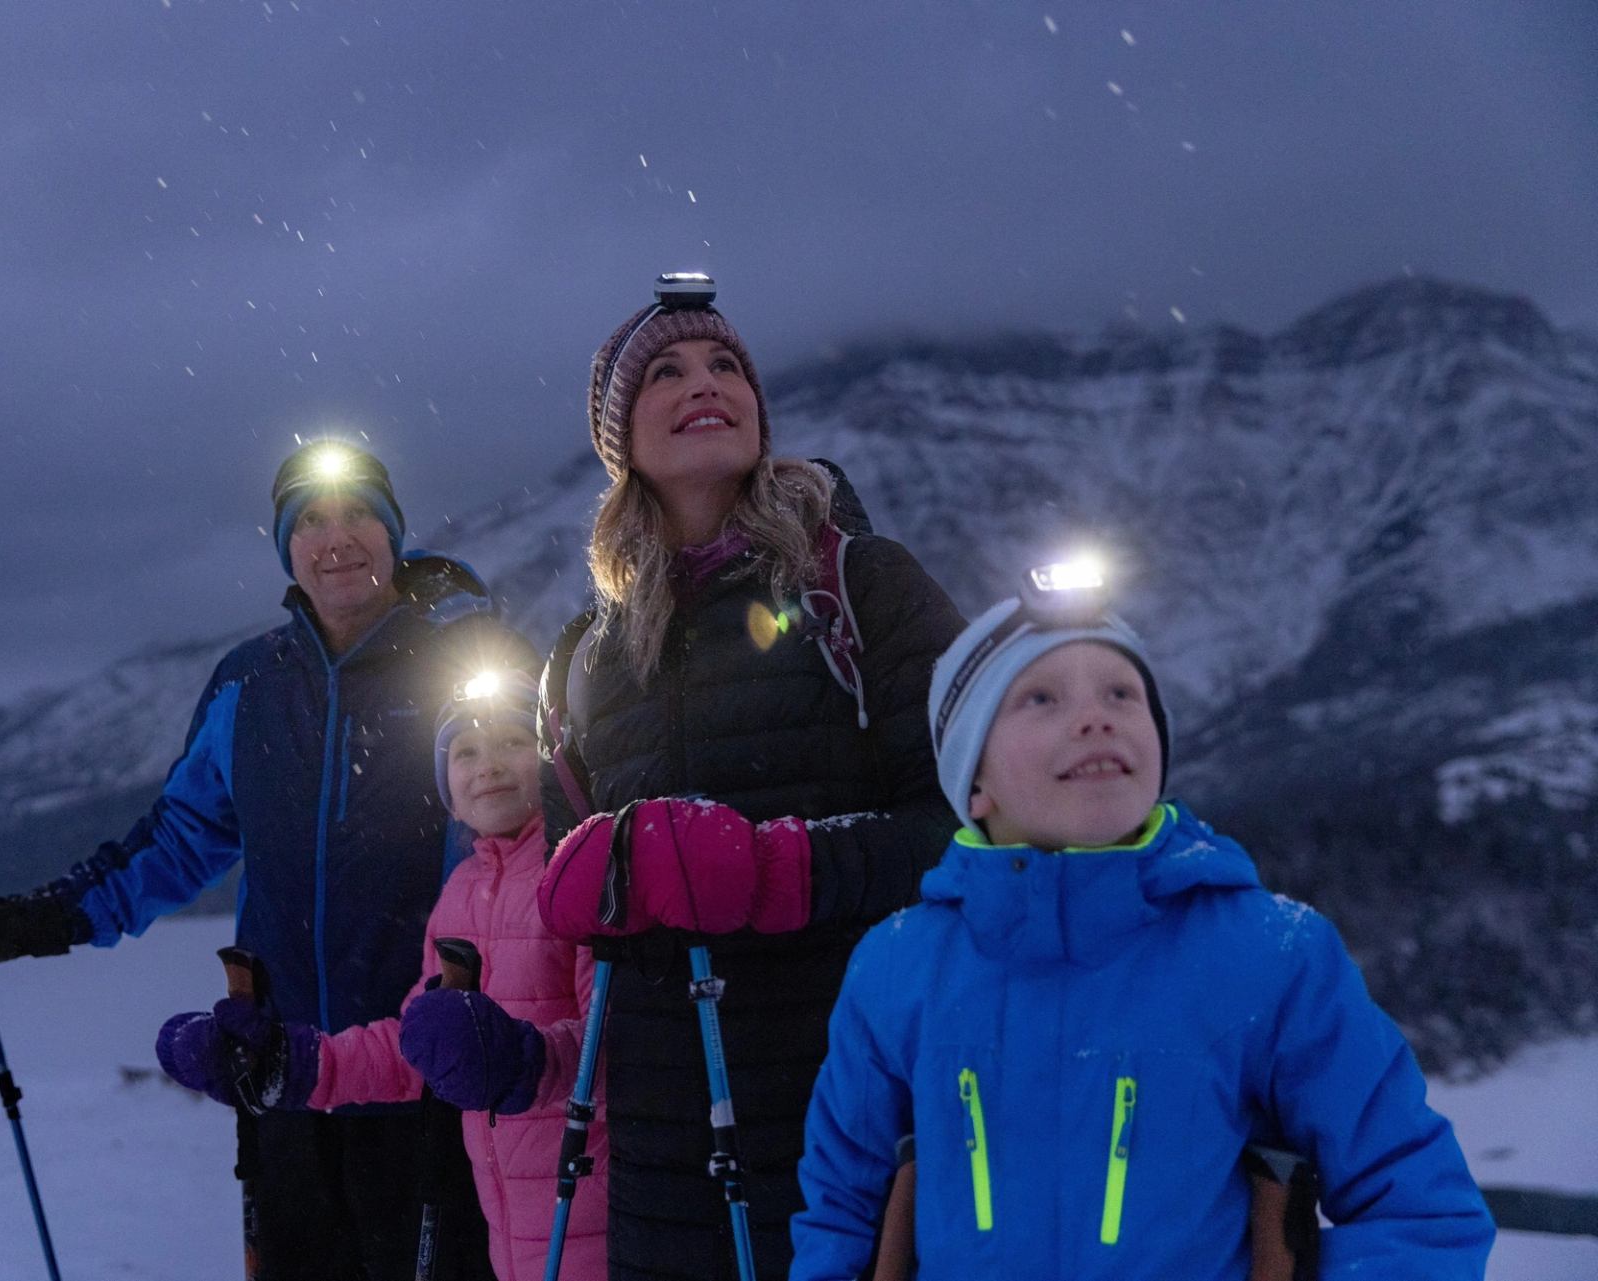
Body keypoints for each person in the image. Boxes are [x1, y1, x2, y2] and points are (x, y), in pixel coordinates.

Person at [0, 439, 529, 1280]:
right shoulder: (249, 685)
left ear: (393, 532)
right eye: (310, 520)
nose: (336, 537)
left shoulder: (466, 672)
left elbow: (525, 844)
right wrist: (31, 920)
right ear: (287, 546)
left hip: (427, 1073)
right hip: (282, 1073)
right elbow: (176, 840)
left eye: (358, 512)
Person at [789, 570, 1496, 1279]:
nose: (1097, 717)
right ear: (974, 779)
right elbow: (842, 1213)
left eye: (1122, 694)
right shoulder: (896, 968)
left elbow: (1421, 1209)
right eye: (1041, 697)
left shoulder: (1273, 955)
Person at [534, 274, 966, 1280]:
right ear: (619, 442)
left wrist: (775, 871)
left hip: (856, 1112)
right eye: (668, 373)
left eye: (727, 365)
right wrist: (583, 888)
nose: (707, 384)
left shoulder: (863, 587)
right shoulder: (584, 657)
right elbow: (582, 898)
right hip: (658, 1144)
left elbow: (972, 828)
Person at [154, 669, 608, 1281]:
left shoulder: (579, 873)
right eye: (465, 751)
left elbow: (624, 1051)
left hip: (598, 1206)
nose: (488, 765)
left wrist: (524, 1063)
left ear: (553, 756)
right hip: (512, 1227)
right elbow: (417, 1049)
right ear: (444, 781)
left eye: (513, 742)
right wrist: (295, 1065)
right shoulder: (461, 893)